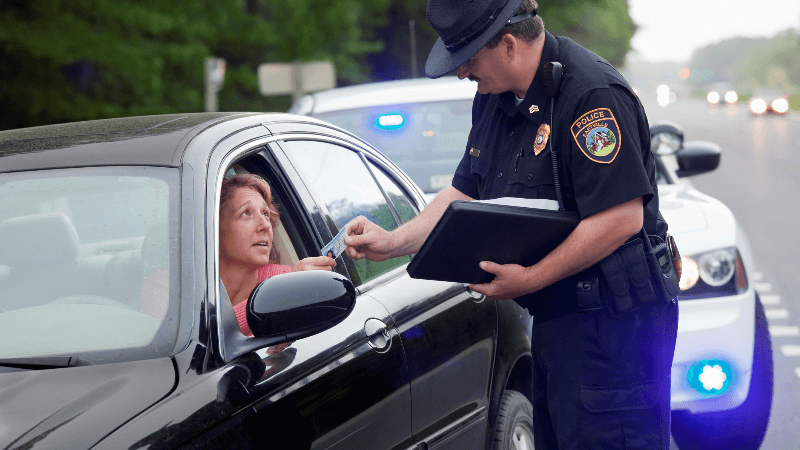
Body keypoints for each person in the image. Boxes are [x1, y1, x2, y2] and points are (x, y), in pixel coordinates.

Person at [343, 0, 678, 448]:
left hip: (615, 332)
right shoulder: (494, 99)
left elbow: (620, 218)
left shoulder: (591, 95)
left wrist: (530, 278)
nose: (462, 72)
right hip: (557, 322)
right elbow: (464, 193)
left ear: (508, 44)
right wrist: (392, 242)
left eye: (469, 59)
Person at [219, 173, 336, 336]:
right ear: (215, 228)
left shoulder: (285, 280)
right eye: (246, 213)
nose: (265, 225)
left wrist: (282, 292)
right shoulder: (183, 288)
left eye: (265, 214)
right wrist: (273, 298)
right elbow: (203, 337)